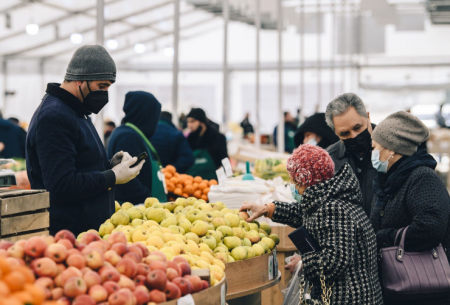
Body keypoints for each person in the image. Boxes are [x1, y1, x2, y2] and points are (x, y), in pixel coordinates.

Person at [240, 144, 382, 305]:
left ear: (304, 181)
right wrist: (268, 209)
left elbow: (335, 260)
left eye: (293, 181)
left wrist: (303, 263)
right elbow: (304, 213)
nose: (293, 187)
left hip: (350, 298)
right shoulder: (328, 198)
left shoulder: (333, 209)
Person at [26, 45, 144, 236]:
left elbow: (78, 165)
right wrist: (112, 177)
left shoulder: (75, 111)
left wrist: (108, 165)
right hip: (68, 237)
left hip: (85, 233)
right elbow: (61, 185)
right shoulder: (55, 116)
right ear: (80, 80)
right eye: (101, 86)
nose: (104, 94)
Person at [370, 111, 450, 305]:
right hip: (398, 284)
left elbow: (430, 228)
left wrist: (382, 238)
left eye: (375, 148)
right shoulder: (389, 180)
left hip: (423, 287)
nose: (372, 152)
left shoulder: (422, 178)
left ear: (392, 150)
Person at [107, 91, 167, 204]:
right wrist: (146, 198)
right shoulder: (127, 137)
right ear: (145, 114)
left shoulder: (131, 133)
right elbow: (127, 179)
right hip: (132, 209)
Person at [325, 93, 376, 216]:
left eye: (357, 127)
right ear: (336, 133)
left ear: (368, 117)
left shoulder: (393, 149)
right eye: (344, 133)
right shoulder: (329, 160)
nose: (354, 136)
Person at [186, 108, 228, 180]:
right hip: (192, 182)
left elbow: (224, 161)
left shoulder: (217, 138)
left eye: (192, 121)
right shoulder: (189, 139)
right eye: (188, 122)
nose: (189, 125)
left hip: (213, 182)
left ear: (202, 122)